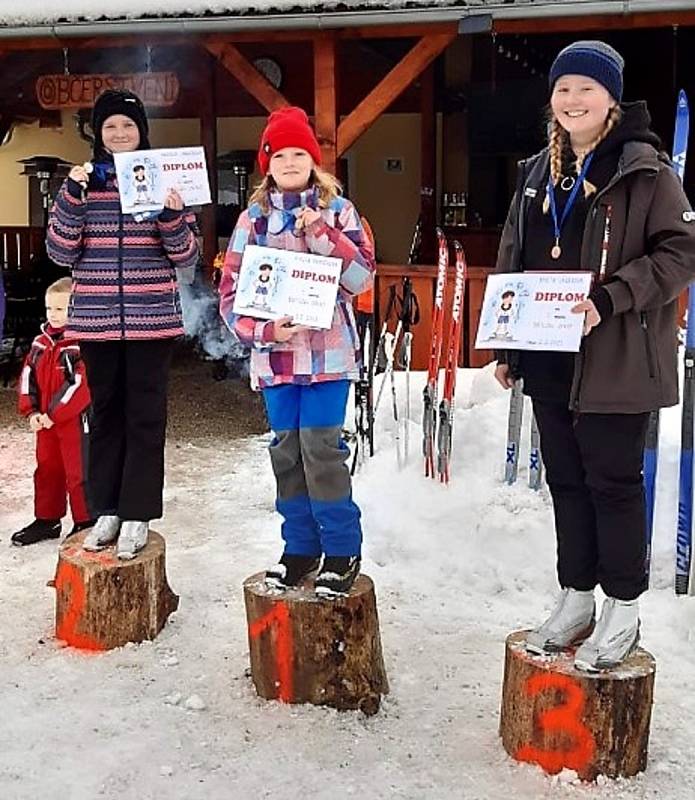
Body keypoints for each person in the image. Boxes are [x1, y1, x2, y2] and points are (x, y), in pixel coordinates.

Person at [494, 41, 695, 670]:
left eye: (586, 88)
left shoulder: (644, 169)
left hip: (615, 360)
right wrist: (508, 342)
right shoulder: (536, 172)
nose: (572, 100)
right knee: (568, 484)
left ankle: (624, 609)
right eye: (562, 89)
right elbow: (513, 252)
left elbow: (680, 251)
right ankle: (577, 597)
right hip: (550, 358)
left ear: (611, 97)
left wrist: (611, 298)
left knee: (613, 485)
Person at [219, 106, 375, 597]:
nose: (289, 161)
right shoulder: (252, 220)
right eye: (279, 153)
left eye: (299, 153)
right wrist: (265, 329)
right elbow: (231, 293)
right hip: (278, 359)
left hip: (328, 357)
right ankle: (300, 547)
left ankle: (342, 547)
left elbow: (361, 279)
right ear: (266, 161)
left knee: (322, 450)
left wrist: (322, 236)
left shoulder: (338, 211)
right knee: (287, 452)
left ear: (313, 159)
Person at [46, 89, 199, 560]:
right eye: (110, 126)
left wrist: (171, 216)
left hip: (151, 318)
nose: (119, 134)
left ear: (141, 132)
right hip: (95, 320)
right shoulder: (82, 184)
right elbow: (59, 252)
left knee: (146, 417)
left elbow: (187, 255)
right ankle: (105, 508)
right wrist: (72, 196)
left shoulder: (162, 181)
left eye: (128, 126)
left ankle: (138, 513)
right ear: (99, 133)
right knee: (104, 415)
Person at [12, 277, 93, 546]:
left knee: (78, 470)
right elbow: (27, 377)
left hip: (72, 421)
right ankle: (47, 519)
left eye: (60, 309)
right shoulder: (40, 343)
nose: (53, 315)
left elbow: (81, 384)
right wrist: (31, 411)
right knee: (47, 469)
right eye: (49, 309)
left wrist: (53, 414)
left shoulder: (80, 344)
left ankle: (85, 520)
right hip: (44, 422)